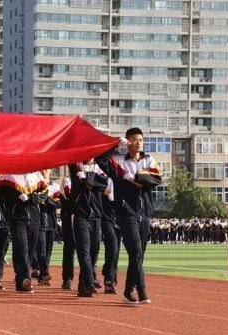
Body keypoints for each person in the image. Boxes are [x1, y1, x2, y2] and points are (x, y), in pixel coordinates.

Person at [97, 127, 162, 304]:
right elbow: (100, 159)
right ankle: (140, 290)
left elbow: (157, 179)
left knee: (138, 255)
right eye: (135, 139)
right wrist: (115, 144)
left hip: (145, 212)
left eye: (141, 139)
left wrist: (134, 177)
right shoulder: (118, 161)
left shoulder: (149, 160)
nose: (139, 142)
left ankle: (130, 291)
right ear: (128, 142)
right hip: (126, 212)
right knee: (136, 250)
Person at [68, 160, 108, 298]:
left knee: (93, 251)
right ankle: (90, 281)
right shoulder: (76, 165)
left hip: (96, 214)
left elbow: (104, 183)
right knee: (83, 249)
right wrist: (90, 180)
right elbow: (81, 185)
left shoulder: (99, 167)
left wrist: (87, 178)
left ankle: (83, 286)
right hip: (80, 214)